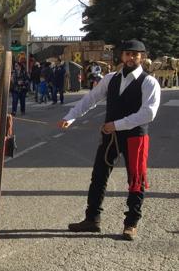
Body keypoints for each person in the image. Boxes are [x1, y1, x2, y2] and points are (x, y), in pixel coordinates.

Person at [59, 40, 161, 241]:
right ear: (122, 56)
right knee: (98, 176)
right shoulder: (110, 78)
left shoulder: (149, 82)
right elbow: (91, 99)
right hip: (110, 136)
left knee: (136, 180)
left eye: (135, 54)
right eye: (127, 54)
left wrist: (117, 124)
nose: (131, 58)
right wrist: (70, 117)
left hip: (135, 136)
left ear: (142, 57)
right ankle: (92, 219)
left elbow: (148, 113)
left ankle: (131, 223)